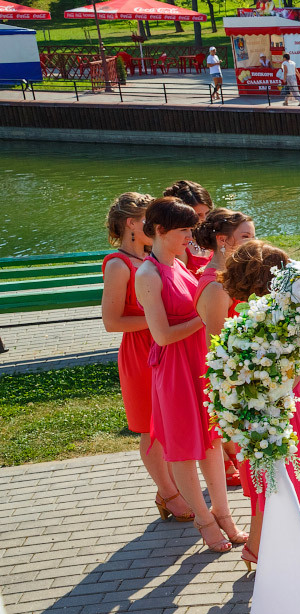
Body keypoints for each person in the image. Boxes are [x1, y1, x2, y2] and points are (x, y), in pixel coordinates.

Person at [133, 197, 248, 555]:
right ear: (160, 230)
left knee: (212, 442)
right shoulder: (147, 274)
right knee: (184, 449)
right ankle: (203, 518)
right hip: (174, 368)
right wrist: (205, 314)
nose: (189, 236)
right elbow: (162, 335)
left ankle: (224, 515)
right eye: (183, 230)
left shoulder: (180, 264)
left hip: (199, 361)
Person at [216, 241, 300, 578]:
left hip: (261, 414)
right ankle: (297, 575)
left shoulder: (242, 316)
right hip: (278, 413)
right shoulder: (269, 322)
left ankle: (258, 548)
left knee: (268, 486)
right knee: (282, 486)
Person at [101, 192, 190, 525]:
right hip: (141, 351)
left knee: (170, 421)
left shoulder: (158, 258)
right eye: (146, 219)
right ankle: (168, 493)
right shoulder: (118, 264)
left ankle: (168, 489)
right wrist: (160, 320)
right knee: (151, 427)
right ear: (131, 224)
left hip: (169, 347)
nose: (154, 225)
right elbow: (112, 322)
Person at [194, 208, 256, 488]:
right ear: (222, 239)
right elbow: (217, 348)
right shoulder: (216, 287)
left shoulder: (229, 275)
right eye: (245, 236)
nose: (253, 242)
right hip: (237, 382)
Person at [162, 181, 213, 273]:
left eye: (207, 213)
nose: (204, 219)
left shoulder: (213, 231)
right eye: (198, 215)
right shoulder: (179, 243)